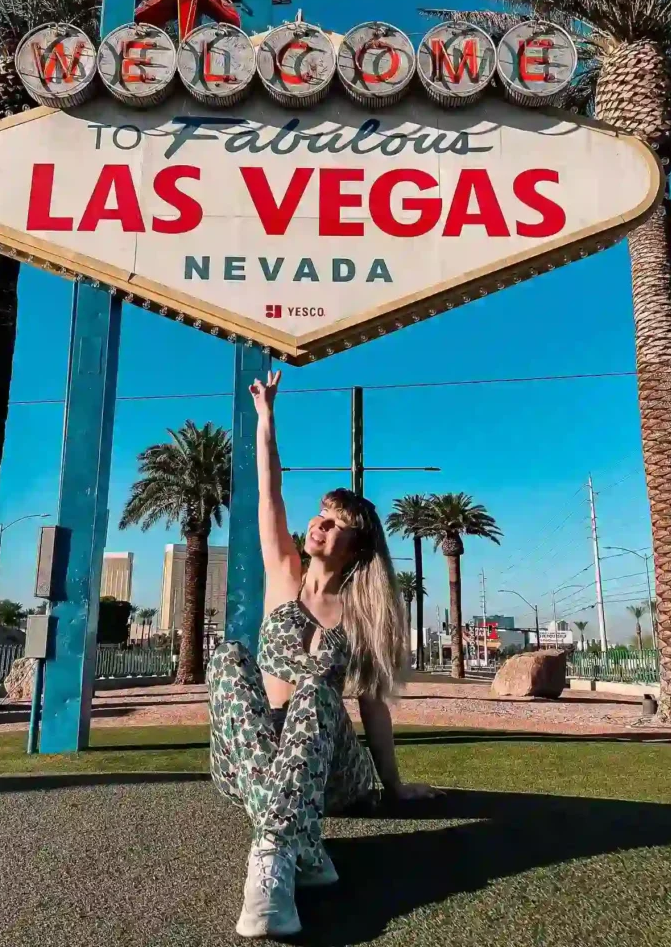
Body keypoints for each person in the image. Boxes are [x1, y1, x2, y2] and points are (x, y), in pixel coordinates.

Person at [207, 370, 439, 939]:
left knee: (315, 691)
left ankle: (272, 858)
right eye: (321, 513)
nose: (320, 523)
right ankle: (297, 849)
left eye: (337, 523)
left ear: (357, 547)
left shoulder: (362, 615)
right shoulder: (282, 575)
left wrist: (394, 784)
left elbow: (373, 708)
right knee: (228, 657)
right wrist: (266, 419)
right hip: (256, 754)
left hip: (334, 771)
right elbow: (269, 495)